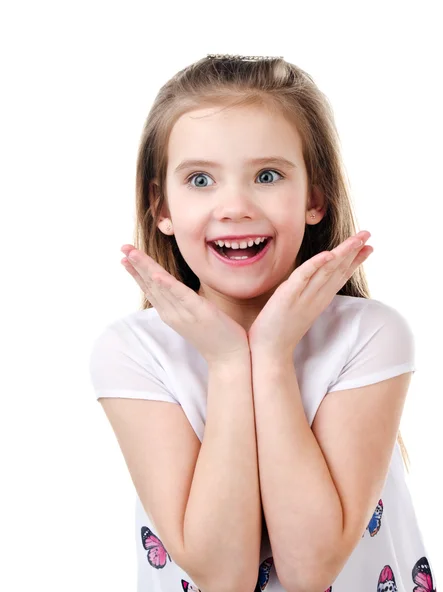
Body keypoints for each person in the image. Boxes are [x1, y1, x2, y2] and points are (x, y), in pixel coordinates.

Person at [88, 54, 437, 592]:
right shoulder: (135, 351)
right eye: (200, 179)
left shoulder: (369, 335)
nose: (234, 206)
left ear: (314, 198)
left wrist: (271, 357)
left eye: (267, 175)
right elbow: (223, 577)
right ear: (163, 207)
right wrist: (229, 363)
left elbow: (311, 570)